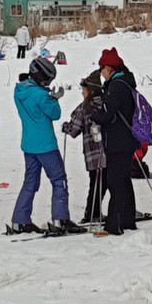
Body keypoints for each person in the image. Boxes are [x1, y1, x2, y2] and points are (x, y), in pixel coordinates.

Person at [10, 56, 76, 234]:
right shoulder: (41, 95)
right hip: (46, 145)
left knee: (30, 182)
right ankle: (60, 219)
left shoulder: (19, 91)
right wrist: (54, 98)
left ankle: (19, 220)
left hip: (29, 145)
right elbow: (55, 114)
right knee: (59, 180)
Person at [89, 48, 139, 236]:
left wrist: (95, 116)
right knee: (124, 180)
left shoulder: (117, 86)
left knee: (115, 182)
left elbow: (110, 115)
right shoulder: (125, 81)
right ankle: (128, 220)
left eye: (102, 68)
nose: (101, 72)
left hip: (118, 141)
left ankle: (114, 224)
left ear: (109, 68)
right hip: (126, 139)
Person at [61, 69, 107, 225]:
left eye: (84, 90)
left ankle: (91, 214)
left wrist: (65, 127)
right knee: (104, 182)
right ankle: (96, 212)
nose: (82, 93)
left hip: (93, 154)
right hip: (108, 151)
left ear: (90, 90)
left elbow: (74, 130)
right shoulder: (107, 102)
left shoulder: (84, 108)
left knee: (95, 183)